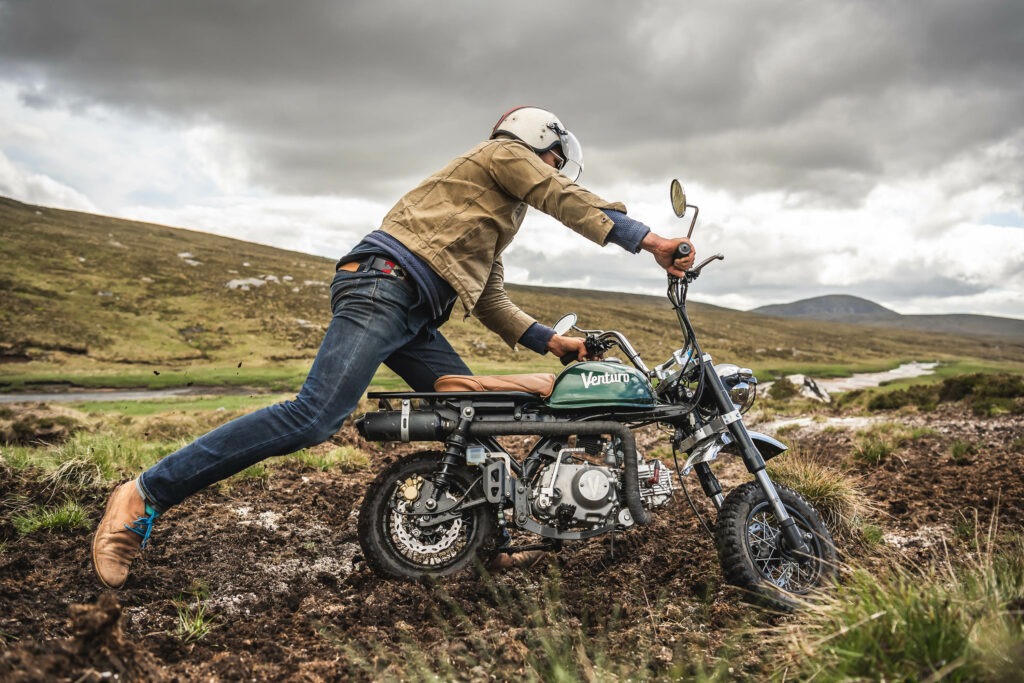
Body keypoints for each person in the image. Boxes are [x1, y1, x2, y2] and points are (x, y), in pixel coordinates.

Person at [91, 106, 696, 588]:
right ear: (543, 142)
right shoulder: (502, 154)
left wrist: (551, 342)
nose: (557, 174)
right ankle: (144, 495)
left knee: (475, 412)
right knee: (313, 416)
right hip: (385, 284)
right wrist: (648, 241)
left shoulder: (487, 211)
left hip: (412, 310)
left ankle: (481, 538)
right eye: (555, 162)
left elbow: (487, 300)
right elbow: (564, 199)